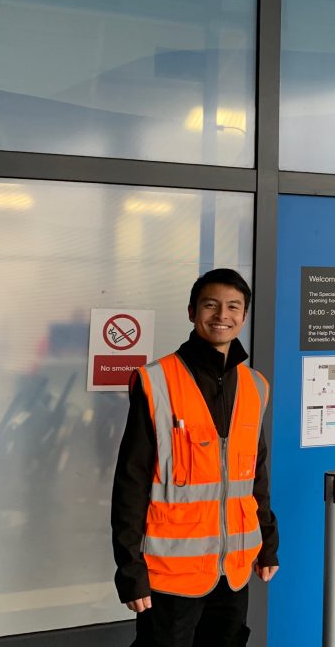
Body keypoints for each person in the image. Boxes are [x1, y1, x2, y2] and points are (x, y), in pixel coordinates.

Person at [112, 268, 279, 646]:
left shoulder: (255, 385)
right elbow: (130, 482)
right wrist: (130, 569)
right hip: (170, 573)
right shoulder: (156, 381)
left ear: (244, 315)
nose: (223, 315)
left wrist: (267, 542)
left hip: (233, 570)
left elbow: (256, 475)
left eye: (233, 306)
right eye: (211, 305)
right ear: (192, 312)